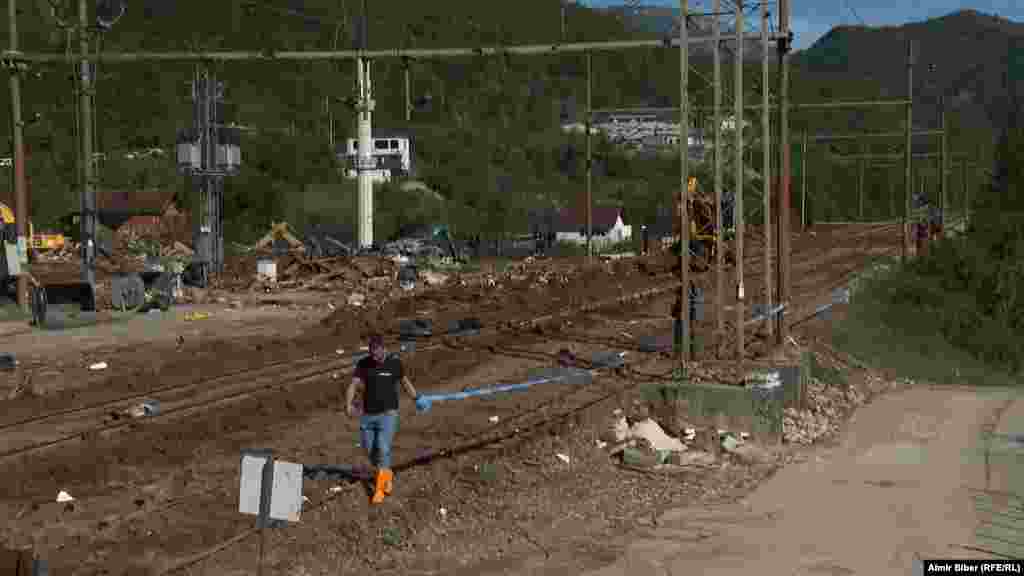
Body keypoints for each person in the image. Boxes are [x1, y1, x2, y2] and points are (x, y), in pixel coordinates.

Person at [346, 334, 419, 505]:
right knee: (371, 452)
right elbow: (353, 385)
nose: (374, 355)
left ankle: (380, 489)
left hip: (388, 414)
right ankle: (386, 472)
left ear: (383, 348)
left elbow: (405, 382)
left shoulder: (394, 363)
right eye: (371, 351)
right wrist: (348, 405)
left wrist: (417, 398)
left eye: (376, 351)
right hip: (368, 416)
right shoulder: (364, 363)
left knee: (383, 447)